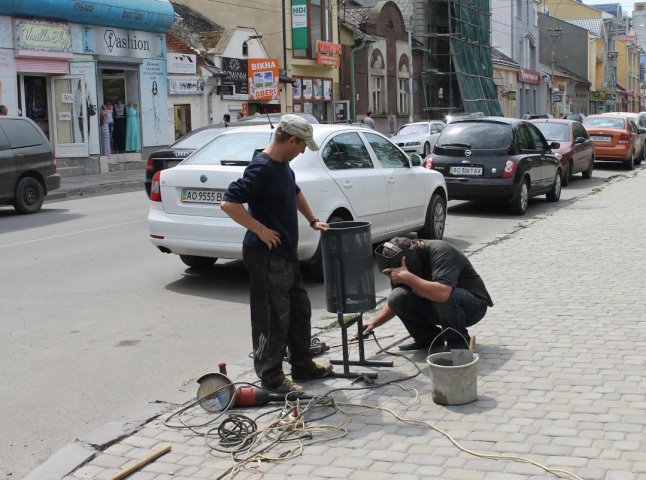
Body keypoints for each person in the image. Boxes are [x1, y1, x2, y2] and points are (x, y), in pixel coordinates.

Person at [220, 114, 333, 394]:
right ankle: (271, 378)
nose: (304, 151)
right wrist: (260, 229)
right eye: (302, 145)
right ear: (291, 140)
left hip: (287, 255)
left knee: (299, 312)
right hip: (267, 256)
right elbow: (229, 203)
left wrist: (312, 219)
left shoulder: (283, 166)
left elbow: (294, 193)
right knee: (272, 318)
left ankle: (302, 366)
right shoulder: (262, 168)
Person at [364, 237, 493, 352]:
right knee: (397, 296)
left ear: (407, 261)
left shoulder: (442, 251)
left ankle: (458, 343)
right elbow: (395, 300)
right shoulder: (402, 264)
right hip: (440, 307)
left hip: (473, 307)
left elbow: (442, 294)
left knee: (439, 294)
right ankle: (428, 339)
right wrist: (374, 322)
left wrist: (408, 277)